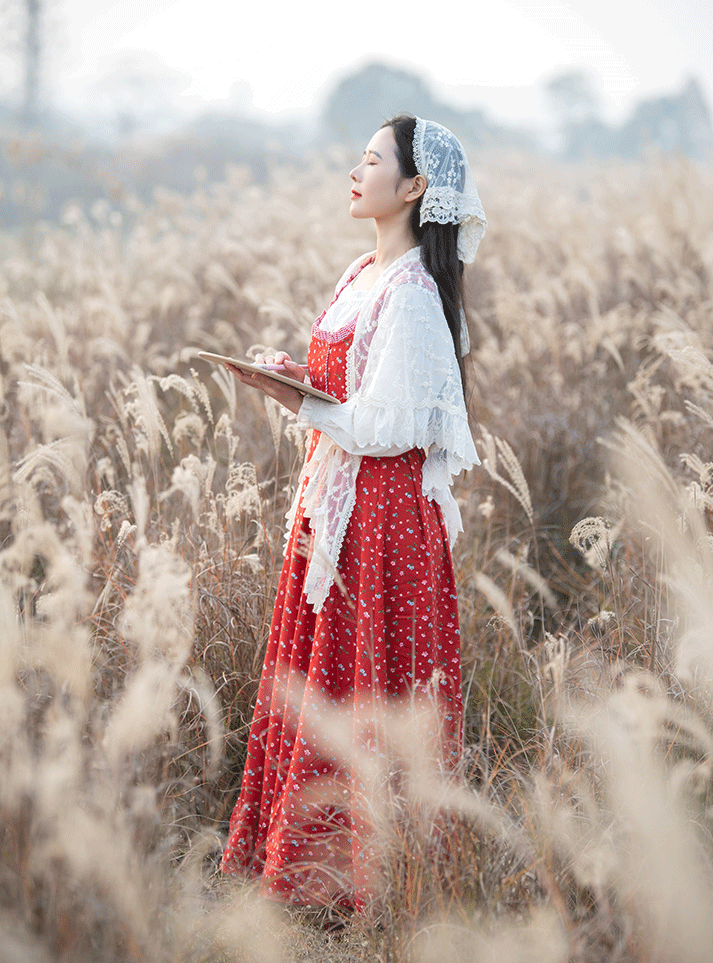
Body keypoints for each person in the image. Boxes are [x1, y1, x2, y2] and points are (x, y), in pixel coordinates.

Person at [219, 114, 486, 912]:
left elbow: (387, 426)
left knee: (367, 686)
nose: (354, 170)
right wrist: (293, 377)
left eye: (372, 160)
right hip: (339, 502)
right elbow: (355, 387)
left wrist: (302, 402)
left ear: (413, 188)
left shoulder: (412, 295)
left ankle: (362, 882)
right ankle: (303, 865)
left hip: (383, 521)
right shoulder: (358, 273)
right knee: (324, 681)